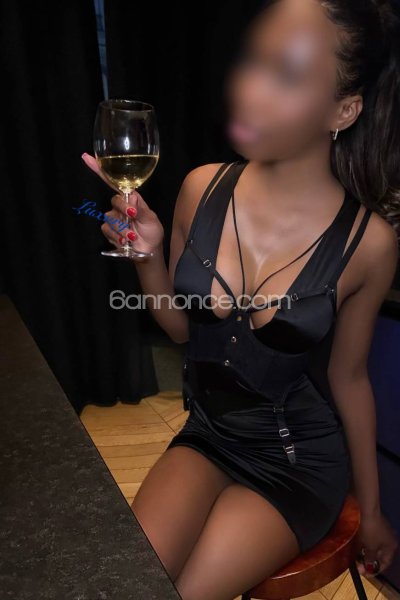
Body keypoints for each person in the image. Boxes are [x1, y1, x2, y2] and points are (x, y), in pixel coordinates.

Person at [82, 0, 400, 598]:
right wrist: (149, 256)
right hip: (208, 435)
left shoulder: (370, 244)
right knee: (128, 582)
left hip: (296, 463)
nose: (251, 88)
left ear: (343, 110)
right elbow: (183, 332)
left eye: (287, 74)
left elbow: (350, 379)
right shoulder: (200, 187)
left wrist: (375, 512)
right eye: (254, 62)